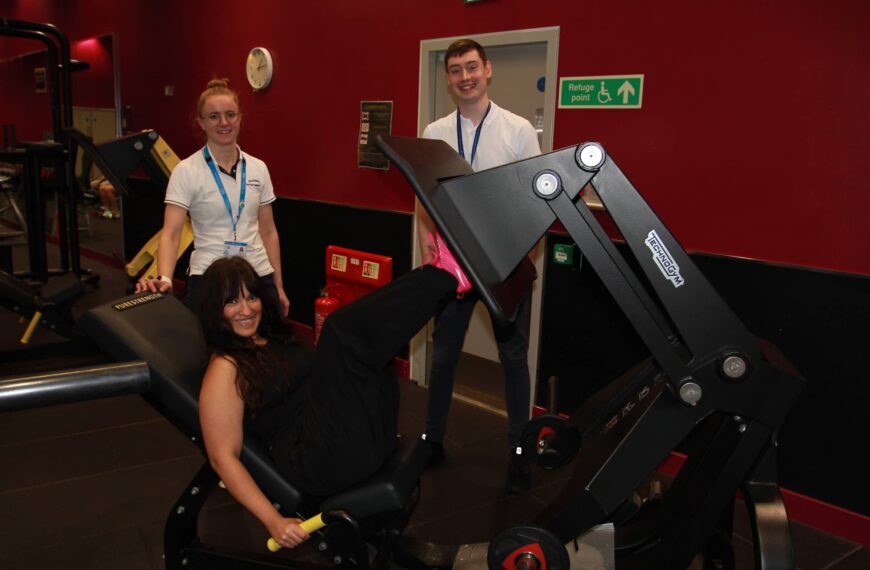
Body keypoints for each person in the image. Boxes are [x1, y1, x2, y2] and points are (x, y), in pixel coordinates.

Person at [197, 249, 468, 549]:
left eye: (251, 297)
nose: (246, 309)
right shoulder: (226, 367)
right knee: (340, 332)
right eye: (232, 301)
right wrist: (272, 521)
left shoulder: (271, 338)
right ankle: (443, 275)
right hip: (316, 459)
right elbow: (222, 458)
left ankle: (444, 278)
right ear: (214, 310)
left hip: (354, 441)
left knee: (374, 350)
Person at [418, 38, 542, 495]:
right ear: (448, 78)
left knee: (513, 359)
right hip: (452, 265)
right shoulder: (434, 131)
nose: (464, 76)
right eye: (455, 70)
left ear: (487, 70)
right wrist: (431, 248)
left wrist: (523, 258)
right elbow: (425, 197)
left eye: (471, 67)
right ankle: (432, 440)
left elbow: (535, 199)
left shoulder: (517, 130)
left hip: (502, 264)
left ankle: (518, 450)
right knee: (444, 354)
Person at [135, 78, 289, 315]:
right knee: (211, 348)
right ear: (201, 123)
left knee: (263, 346)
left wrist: (277, 285)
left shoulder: (258, 168)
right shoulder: (186, 171)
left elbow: (268, 232)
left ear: (240, 118)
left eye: (230, 114)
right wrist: (165, 277)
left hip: (257, 272)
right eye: (214, 116)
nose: (224, 122)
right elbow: (171, 233)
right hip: (210, 276)